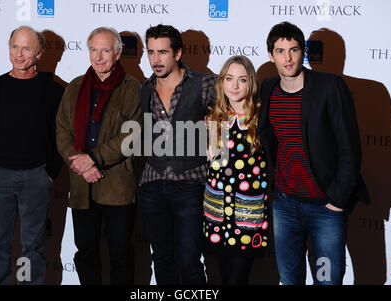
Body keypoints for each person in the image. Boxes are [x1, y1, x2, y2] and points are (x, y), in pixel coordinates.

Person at [258, 21, 370, 285]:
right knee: (289, 279)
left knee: (326, 280)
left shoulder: (330, 87)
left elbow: (350, 149)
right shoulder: (268, 88)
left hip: (325, 207)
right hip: (285, 204)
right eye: (280, 51)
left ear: (303, 53)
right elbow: (267, 139)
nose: (287, 58)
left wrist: (337, 201)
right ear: (270, 55)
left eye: (294, 50)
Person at [0, 26, 64, 284]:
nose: (19, 54)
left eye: (26, 48)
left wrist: (49, 174)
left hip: (36, 178)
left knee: (31, 249)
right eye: (15, 46)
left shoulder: (53, 91)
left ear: (39, 53)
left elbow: (60, 137)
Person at [56, 27, 141, 285]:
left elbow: (132, 135)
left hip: (117, 188)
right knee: (86, 254)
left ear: (117, 53)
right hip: (83, 188)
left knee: (121, 255)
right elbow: (62, 131)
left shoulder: (133, 88)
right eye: (94, 49)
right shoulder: (75, 87)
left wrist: (92, 158)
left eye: (106, 50)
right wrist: (81, 165)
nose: (99, 56)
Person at [138, 24, 217, 285]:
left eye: (162, 52)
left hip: (190, 183)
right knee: (161, 258)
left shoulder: (205, 83)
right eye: (151, 52)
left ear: (178, 53)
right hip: (152, 184)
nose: (156, 60)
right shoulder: (144, 89)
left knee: (189, 260)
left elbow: (230, 123)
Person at [202, 55, 269, 284]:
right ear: (222, 82)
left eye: (242, 80)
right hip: (218, 211)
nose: (235, 86)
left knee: (238, 279)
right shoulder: (213, 118)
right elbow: (213, 161)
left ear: (251, 83)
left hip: (246, 212)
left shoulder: (261, 119)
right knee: (223, 277)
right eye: (229, 79)